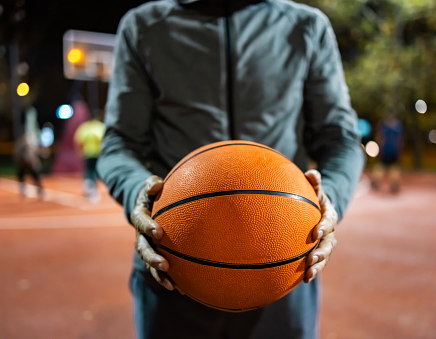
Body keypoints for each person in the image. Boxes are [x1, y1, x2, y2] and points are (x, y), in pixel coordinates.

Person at [97, 0, 365, 338]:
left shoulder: (306, 27)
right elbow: (118, 145)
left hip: (284, 262)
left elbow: (341, 140)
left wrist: (332, 203)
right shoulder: (145, 26)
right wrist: (139, 191)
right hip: (174, 261)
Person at [74, 116, 105, 202]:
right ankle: (92, 187)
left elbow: (78, 140)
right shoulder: (100, 127)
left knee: (89, 170)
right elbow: (104, 140)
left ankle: (89, 185)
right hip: (97, 154)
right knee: (94, 171)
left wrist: (80, 151)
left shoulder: (85, 127)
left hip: (87, 153)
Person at [371, 112, 404, 193]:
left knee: (382, 165)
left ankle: (376, 180)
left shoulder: (383, 125)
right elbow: (400, 139)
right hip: (394, 149)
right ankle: (394, 183)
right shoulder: (398, 126)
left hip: (385, 149)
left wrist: (380, 147)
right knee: (394, 166)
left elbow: (379, 137)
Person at [13, 133, 44, 199]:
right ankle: (25, 190)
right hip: (25, 163)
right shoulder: (24, 146)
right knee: (24, 176)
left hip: (30, 163)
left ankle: (39, 189)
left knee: (34, 176)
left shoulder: (25, 146)